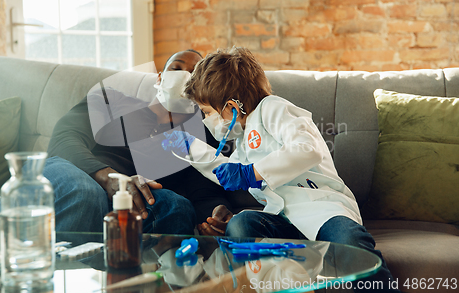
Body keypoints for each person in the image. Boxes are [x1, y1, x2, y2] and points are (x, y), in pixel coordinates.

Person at [162, 46, 400, 292]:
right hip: (283, 218)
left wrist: (251, 173)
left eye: (208, 112)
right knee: (241, 224)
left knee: (350, 244)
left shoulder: (273, 109)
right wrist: (189, 147)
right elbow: (228, 171)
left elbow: (307, 149)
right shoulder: (243, 142)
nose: (206, 119)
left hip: (324, 209)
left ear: (232, 107)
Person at [44, 49, 248, 235]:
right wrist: (111, 178)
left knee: (178, 209)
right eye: (176, 68)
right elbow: (64, 139)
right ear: (160, 77)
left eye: (195, 74)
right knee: (86, 194)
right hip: (76, 171)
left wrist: (215, 216)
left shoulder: (199, 137)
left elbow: (203, 193)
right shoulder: (110, 99)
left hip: (136, 198)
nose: (184, 76)